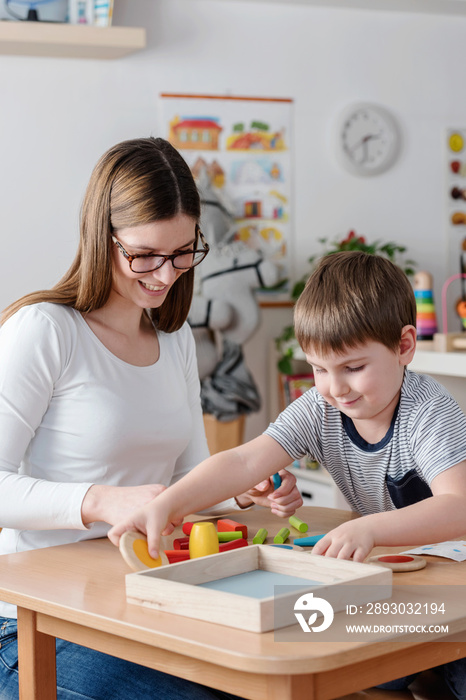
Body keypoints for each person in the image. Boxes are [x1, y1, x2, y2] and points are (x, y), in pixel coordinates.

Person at [0, 136, 302, 700]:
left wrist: (240, 489)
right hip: (35, 625)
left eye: (183, 252)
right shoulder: (45, 331)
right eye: (144, 255)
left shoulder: (175, 337)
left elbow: (190, 477)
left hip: (145, 600)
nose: (165, 276)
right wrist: (100, 500)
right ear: (100, 237)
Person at [109, 251, 466, 700]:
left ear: (404, 346)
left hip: (457, 582)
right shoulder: (322, 409)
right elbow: (242, 462)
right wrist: (167, 504)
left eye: (353, 368)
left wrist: (369, 527)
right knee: (361, 663)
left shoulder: (429, 412)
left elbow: (458, 507)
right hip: (405, 581)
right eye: (319, 369)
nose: (336, 387)